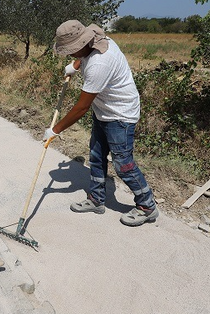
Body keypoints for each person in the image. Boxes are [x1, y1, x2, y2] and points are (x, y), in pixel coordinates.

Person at [44, 20, 159, 226]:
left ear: (82, 43)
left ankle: (147, 206)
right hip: (104, 110)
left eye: (72, 51)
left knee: (123, 164)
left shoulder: (100, 63)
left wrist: (55, 130)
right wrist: (75, 66)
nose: (70, 54)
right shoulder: (95, 36)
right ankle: (96, 200)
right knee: (96, 157)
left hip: (120, 114)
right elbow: (84, 52)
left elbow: (81, 107)